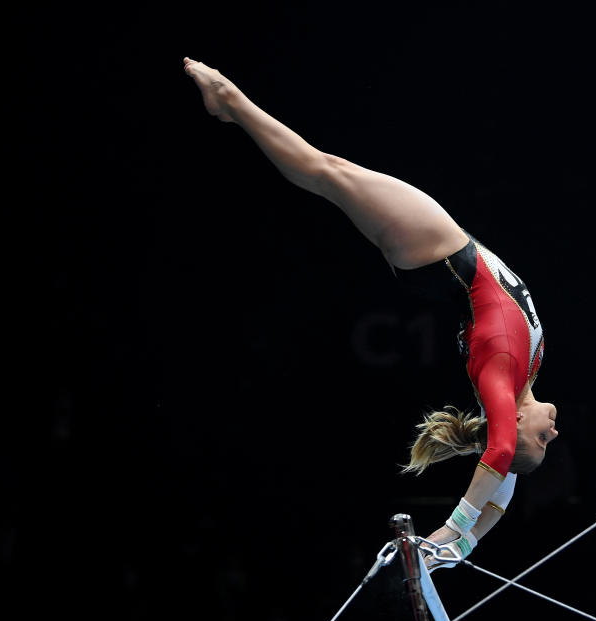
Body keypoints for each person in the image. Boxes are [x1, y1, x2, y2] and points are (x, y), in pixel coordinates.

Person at [182, 57, 559, 568]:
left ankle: (229, 100)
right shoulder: (521, 381)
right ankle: (231, 104)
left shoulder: (502, 371)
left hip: (442, 255)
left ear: (513, 423)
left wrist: (450, 529)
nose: (553, 432)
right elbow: (504, 486)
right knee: (328, 175)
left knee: (327, 171)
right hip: (439, 260)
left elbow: (499, 454)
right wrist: (460, 550)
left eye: (539, 438)